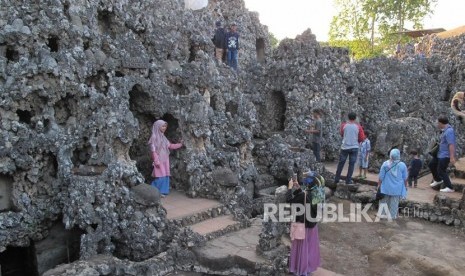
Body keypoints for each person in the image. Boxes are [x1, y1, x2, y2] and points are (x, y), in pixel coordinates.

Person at [287, 172, 321, 276]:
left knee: (301, 247)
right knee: (309, 248)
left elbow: (290, 201)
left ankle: (300, 269)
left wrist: (289, 188)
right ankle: (308, 268)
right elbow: (305, 199)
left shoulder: (303, 195)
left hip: (303, 226)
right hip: (313, 226)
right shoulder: (317, 193)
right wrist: (298, 189)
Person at [148, 120, 183, 197]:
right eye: (162, 126)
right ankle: (152, 189)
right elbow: (153, 150)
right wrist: (156, 160)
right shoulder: (154, 137)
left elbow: (170, 146)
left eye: (165, 126)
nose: (164, 128)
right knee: (160, 176)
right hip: (159, 160)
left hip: (165, 159)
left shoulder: (163, 137)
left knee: (165, 175)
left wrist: (180, 144)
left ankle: (162, 192)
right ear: (158, 126)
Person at [334, 112, 366, 184]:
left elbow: (342, 134)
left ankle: (336, 179)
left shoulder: (344, 125)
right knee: (351, 164)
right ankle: (348, 180)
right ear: (355, 118)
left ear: (348, 118)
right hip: (354, 147)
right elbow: (362, 138)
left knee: (341, 163)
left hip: (345, 147)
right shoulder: (358, 127)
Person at [377, 148, 408, 219]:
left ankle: (382, 215)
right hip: (397, 189)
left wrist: (379, 185)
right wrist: (405, 187)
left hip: (385, 187)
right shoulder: (402, 165)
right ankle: (392, 216)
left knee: (383, 202)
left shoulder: (385, 164)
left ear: (390, 155)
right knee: (394, 203)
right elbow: (405, 178)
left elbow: (381, 177)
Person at [429, 116, 456, 193]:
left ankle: (449, 187)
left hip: (445, 155)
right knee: (431, 164)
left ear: (441, 123)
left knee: (441, 170)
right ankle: (438, 180)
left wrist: (451, 157)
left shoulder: (449, 131)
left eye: (438, 123)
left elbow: (451, 144)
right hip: (439, 154)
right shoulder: (444, 130)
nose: (437, 124)